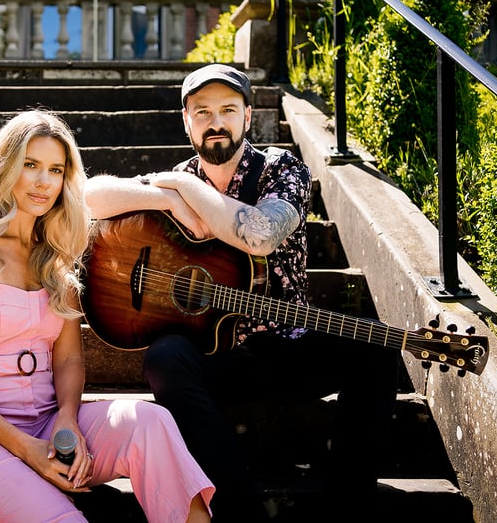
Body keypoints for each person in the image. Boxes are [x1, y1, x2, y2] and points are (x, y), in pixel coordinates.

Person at [83, 64, 401, 520]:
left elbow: (261, 235)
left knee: (378, 345)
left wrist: (185, 187)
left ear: (248, 117)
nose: (216, 122)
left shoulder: (281, 169)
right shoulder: (175, 179)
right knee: (164, 357)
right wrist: (167, 198)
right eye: (203, 112)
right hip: (217, 356)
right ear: (186, 121)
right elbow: (88, 197)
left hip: (289, 347)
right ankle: (237, 507)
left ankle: (349, 506)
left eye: (228, 110)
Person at [0, 109, 214, 523]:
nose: (44, 181)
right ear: (5, 167)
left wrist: (68, 418)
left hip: (47, 424)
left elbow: (70, 359)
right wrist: (27, 450)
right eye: (30, 165)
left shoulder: (57, 260)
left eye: (56, 170)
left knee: (150, 422)